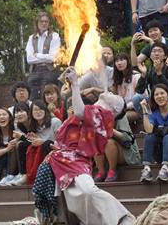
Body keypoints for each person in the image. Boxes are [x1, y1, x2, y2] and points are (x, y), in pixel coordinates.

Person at [32, 67, 134, 225]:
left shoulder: (104, 115)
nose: (112, 93)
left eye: (115, 97)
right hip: (60, 158)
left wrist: (75, 84)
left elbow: (79, 111)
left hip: (76, 160)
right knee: (62, 202)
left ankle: (121, 219)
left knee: (87, 191)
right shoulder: (94, 110)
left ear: (115, 109)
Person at [132, 42, 168, 116]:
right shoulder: (151, 70)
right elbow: (139, 90)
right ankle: (148, 120)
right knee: (136, 98)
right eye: (154, 51)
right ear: (150, 56)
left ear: (165, 56)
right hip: (155, 99)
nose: (156, 54)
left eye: (159, 51)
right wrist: (143, 74)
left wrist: (159, 73)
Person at [93, 109, 141, 183]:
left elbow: (128, 139)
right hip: (106, 155)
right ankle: (101, 172)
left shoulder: (120, 115)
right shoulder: (97, 118)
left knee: (108, 142)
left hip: (127, 153)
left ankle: (112, 171)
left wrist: (109, 129)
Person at [22, 101, 62, 185]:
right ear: (31, 113)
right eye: (35, 110)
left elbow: (61, 143)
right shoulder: (33, 126)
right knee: (22, 145)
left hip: (56, 151)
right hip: (43, 151)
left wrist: (42, 141)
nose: (38, 112)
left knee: (46, 144)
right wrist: (34, 139)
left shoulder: (55, 122)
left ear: (46, 111)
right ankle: (24, 174)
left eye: (41, 109)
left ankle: (43, 175)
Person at [25, 12, 61, 100]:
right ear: (37, 23)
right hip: (34, 71)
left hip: (49, 71)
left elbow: (53, 58)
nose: (44, 23)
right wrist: (45, 57)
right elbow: (29, 59)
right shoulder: (31, 38)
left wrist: (37, 55)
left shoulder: (54, 36)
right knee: (32, 96)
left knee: (46, 96)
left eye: (46, 22)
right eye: (41, 21)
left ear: (49, 24)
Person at [111, 52, 141, 122]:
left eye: (122, 60)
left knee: (121, 118)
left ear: (128, 61)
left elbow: (140, 97)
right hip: (122, 109)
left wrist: (125, 107)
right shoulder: (117, 79)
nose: (119, 63)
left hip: (136, 109)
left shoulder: (136, 76)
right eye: (117, 61)